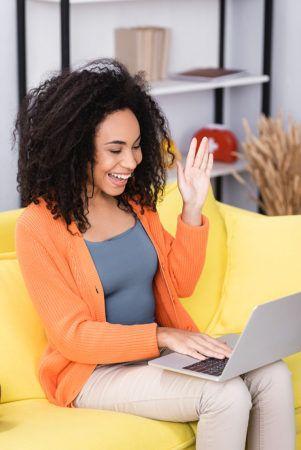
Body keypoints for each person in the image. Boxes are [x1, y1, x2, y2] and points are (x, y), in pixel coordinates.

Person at [14, 57, 295, 450]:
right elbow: (72, 336)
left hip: (155, 360)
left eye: (135, 147)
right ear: (75, 149)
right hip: (92, 374)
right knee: (225, 395)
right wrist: (163, 336)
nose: (130, 162)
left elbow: (180, 282)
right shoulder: (37, 226)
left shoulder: (136, 205)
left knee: (273, 375)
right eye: (115, 150)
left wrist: (192, 208)